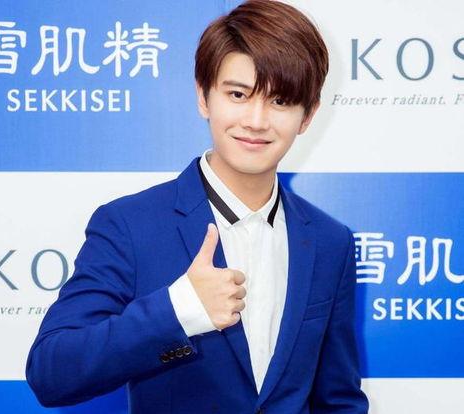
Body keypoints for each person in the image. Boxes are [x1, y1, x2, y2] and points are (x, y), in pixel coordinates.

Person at [26, 1, 369, 413]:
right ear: (204, 97)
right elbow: (52, 372)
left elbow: (338, 399)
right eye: (238, 94)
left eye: (280, 101)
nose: (256, 120)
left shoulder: (330, 241)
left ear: (307, 115)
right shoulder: (130, 225)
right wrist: (181, 309)